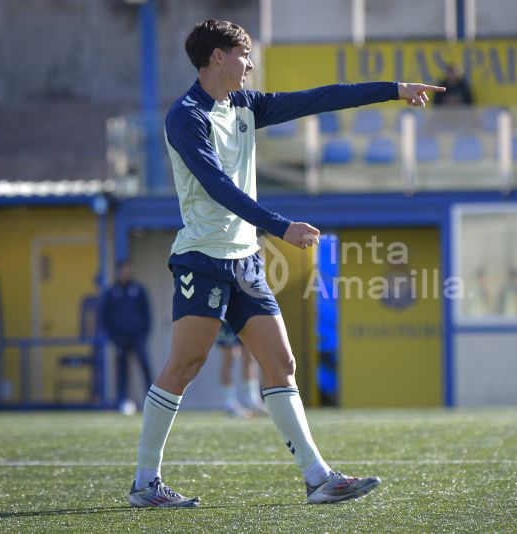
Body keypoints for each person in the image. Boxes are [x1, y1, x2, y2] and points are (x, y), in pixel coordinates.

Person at [127, 19, 445, 508]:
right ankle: (145, 483)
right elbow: (218, 187)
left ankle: (317, 477)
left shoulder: (245, 106)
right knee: (185, 365)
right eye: (244, 54)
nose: (250, 64)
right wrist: (281, 226)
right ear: (217, 57)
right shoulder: (185, 117)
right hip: (202, 260)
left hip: (245, 260)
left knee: (281, 363)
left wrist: (394, 90)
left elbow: (320, 98)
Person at [100, 259, 152, 413]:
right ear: (117, 271)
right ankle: (123, 401)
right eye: (123, 269)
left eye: (128, 269)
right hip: (119, 339)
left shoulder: (139, 289)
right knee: (122, 371)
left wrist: (144, 334)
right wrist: (113, 337)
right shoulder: (111, 292)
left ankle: (150, 401)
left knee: (145, 367)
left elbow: (147, 314)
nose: (126, 272)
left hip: (138, 337)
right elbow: (105, 317)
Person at [217, 320, 266, 417]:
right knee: (229, 356)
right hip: (226, 316)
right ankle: (229, 403)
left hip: (244, 313)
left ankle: (252, 400)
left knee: (250, 355)